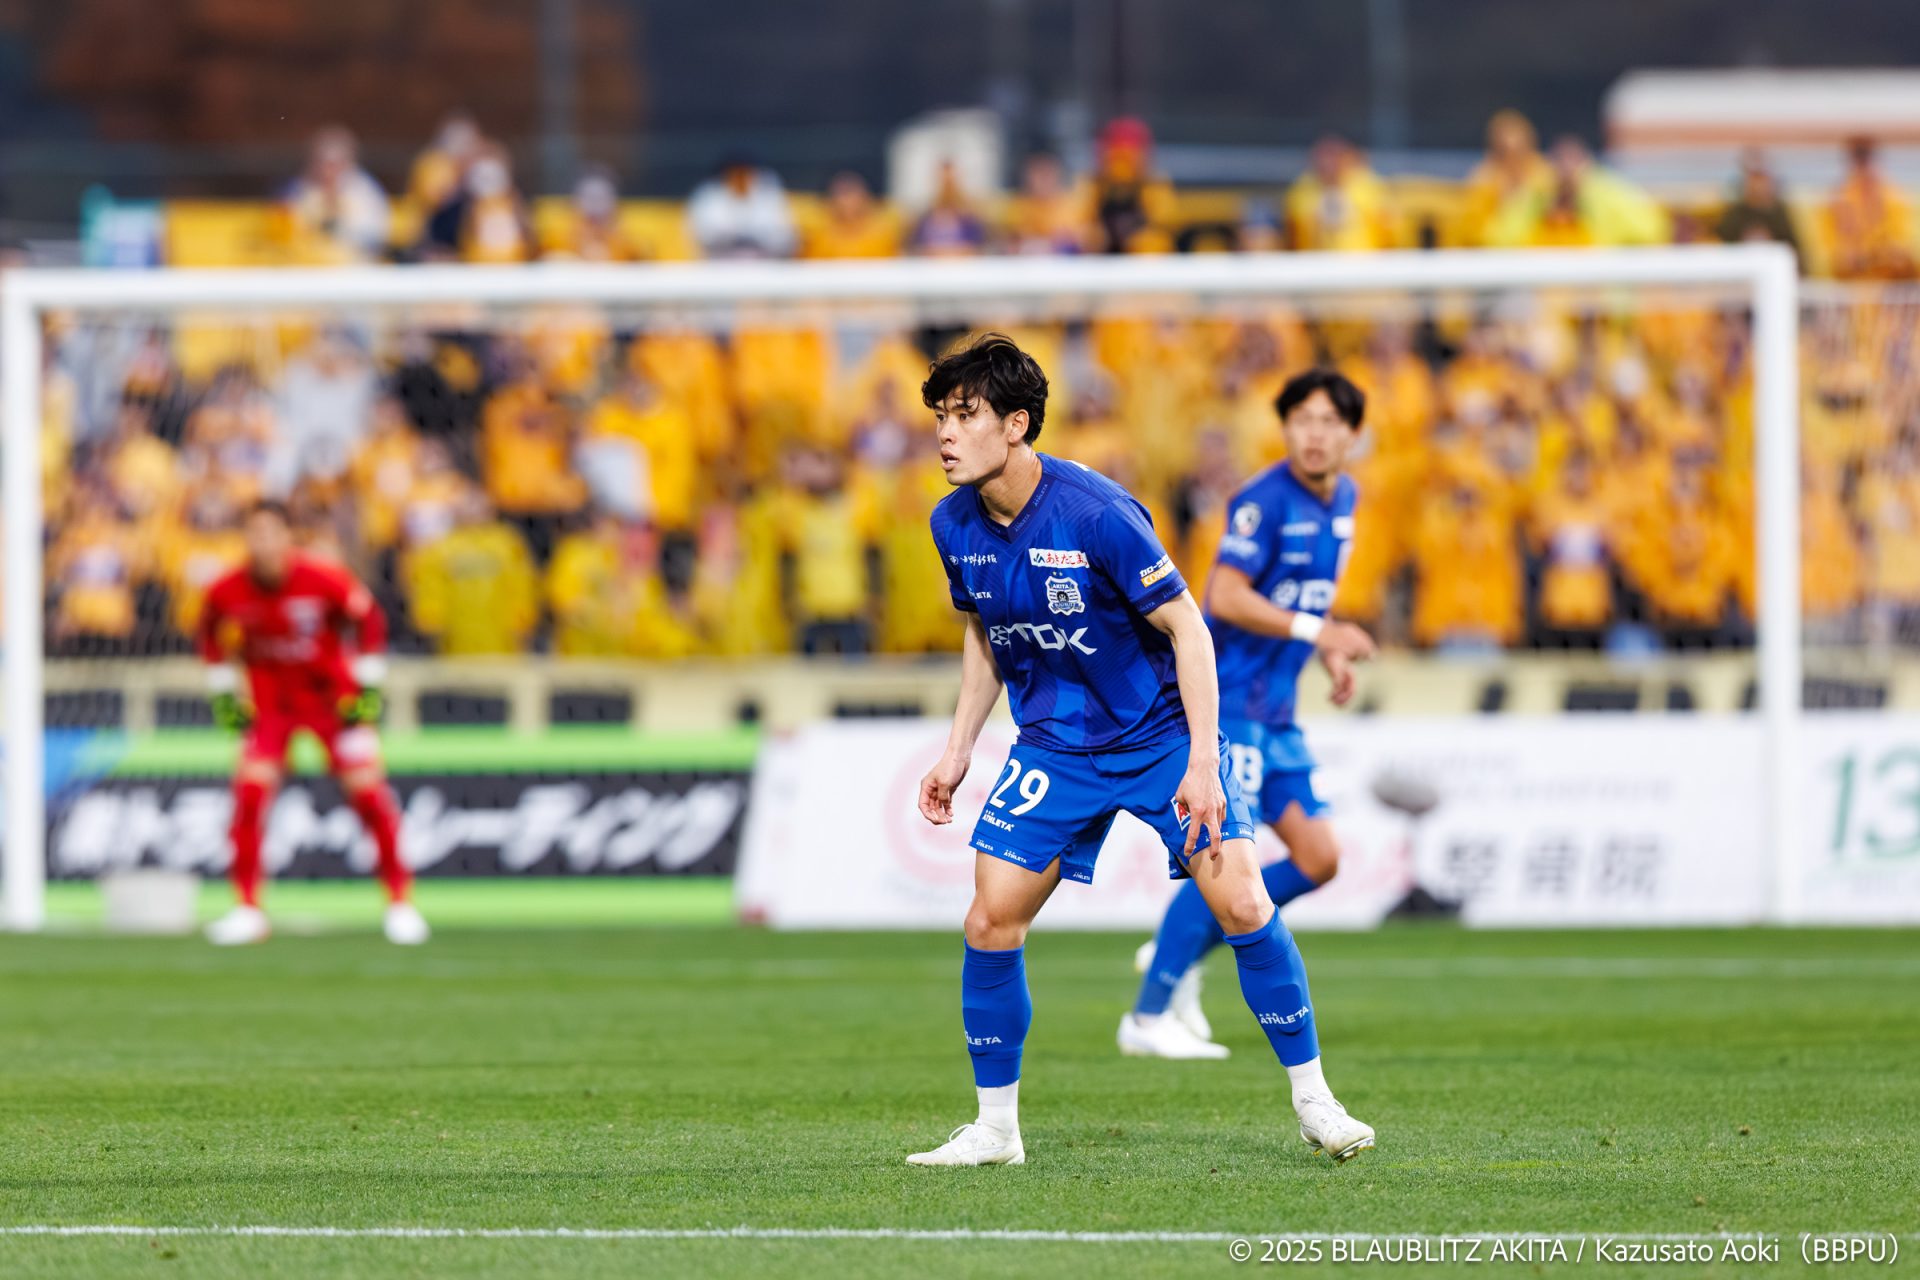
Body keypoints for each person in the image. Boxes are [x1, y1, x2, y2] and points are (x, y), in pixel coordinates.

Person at [907, 335, 1374, 1168]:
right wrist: (957, 749)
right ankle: (996, 1130)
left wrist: (1202, 762)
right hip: (1054, 747)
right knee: (989, 920)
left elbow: (1190, 626)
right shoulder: (952, 523)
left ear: (1016, 425)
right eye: (942, 416)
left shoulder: (1097, 512)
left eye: (965, 414)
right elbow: (985, 634)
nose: (946, 432)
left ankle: (1317, 1103)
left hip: (1160, 736)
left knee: (1243, 904)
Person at [1121, 369, 1374, 1059]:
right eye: (1302, 421)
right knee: (1222, 856)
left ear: (1353, 434)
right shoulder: (1262, 503)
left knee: (1320, 859)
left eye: (1328, 422)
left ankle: (1186, 946)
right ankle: (1147, 1017)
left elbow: (1303, 595)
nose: (1314, 435)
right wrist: (1319, 632)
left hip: (1278, 710)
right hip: (1232, 704)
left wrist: (1326, 649)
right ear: (1284, 428)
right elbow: (1225, 596)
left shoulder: (1346, 499)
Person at [197, 500, 426, 947]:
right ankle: (248, 910)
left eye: (270, 533)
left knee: (370, 798)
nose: (262, 543)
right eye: (254, 533)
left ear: (288, 537)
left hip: (332, 703)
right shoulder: (227, 590)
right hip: (271, 708)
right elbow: (209, 640)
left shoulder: (324, 579)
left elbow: (370, 622)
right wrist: (226, 700)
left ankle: (400, 904)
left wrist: (367, 692)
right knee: (249, 797)